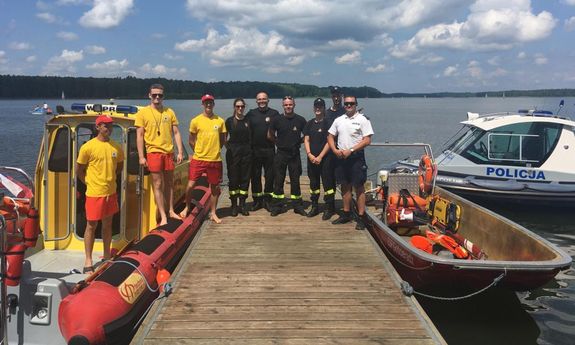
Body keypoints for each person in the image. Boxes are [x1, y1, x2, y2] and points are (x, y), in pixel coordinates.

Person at [76, 115, 124, 274]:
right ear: (98, 127)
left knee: (108, 224)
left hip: (110, 192)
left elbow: (119, 167)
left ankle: (106, 255)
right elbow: (79, 170)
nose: (109, 128)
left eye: (110, 126)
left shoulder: (116, 147)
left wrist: (111, 180)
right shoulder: (87, 147)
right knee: (91, 225)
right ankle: (88, 260)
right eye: (105, 125)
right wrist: (89, 183)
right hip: (94, 194)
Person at [135, 84, 184, 225]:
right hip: (153, 152)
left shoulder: (169, 112)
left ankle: (171, 211)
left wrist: (180, 151)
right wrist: (141, 156)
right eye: (155, 95)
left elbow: (176, 133)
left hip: (169, 152)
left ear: (163, 96)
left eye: (160, 95)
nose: (157, 97)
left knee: (169, 183)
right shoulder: (143, 113)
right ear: (149, 95)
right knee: (158, 184)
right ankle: (163, 216)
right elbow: (139, 135)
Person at [327, 95, 374, 230]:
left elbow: (367, 140)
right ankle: (346, 214)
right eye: (346, 103)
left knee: (359, 187)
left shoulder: (362, 120)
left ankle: (361, 217)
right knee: (344, 186)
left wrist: (352, 150)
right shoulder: (339, 120)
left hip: (356, 158)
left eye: (351, 103)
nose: (348, 105)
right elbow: (330, 136)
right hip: (341, 157)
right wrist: (335, 150)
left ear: (356, 104)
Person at [181, 94, 227, 223]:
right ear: (202, 104)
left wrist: (215, 150)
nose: (208, 104)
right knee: (190, 185)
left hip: (215, 160)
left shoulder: (220, 121)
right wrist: (198, 151)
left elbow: (223, 140)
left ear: (213, 104)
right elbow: (191, 141)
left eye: (210, 102)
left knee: (214, 187)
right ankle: (187, 207)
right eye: (206, 102)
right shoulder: (195, 120)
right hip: (199, 159)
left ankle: (213, 213)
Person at [268, 96, 307, 217]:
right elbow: (270, 135)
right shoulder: (276, 119)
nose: (288, 107)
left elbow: (306, 136)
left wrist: (297, 142)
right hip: (281, 154)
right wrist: (279, 143)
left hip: (294, 154)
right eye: (286, 105)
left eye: (290, 104)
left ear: (294, 105)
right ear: (283, 106)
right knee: (278, 181)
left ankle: (297, 205)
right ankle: (277, 205)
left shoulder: (300, 120)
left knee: (295, 180)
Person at [245, 92, 280, 211]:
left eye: (264, 99)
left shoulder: (274, 114)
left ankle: (268, 200)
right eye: (259, 99)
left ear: (268, 100)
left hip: (270, 150)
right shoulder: (251, 114)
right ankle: (257, 200)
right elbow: (244, 130)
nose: (262, 101)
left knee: (270, 176)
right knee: (255, 176)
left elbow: (281, 129)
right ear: (256, 101)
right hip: (255, 150)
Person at [303, 98, 336, 220]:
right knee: (314, 184)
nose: (318, 108)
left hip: (325, 159)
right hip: (312, 159)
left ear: (323, 108)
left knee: (328, 185)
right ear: (313, 108)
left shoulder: (328, 123)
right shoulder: (309, 123)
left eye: (320, 106)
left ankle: (329, 208)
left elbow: (329, 141)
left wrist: (320, 156)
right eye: (316, 106)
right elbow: (306, 139)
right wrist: (309, 154)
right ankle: (315, 206)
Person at [225, 98, 252, 216]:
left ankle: (242, 204)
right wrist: (230, 149)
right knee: (233, 180)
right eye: (238, 106)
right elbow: (224, 139)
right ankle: (234, 205)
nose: (240, 108)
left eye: (242, 106)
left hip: (247, 153)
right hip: (233, 154)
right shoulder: (229, 121)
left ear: (244, 107)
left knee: (245, 179)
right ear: (234, 107)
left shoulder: (248, 120)